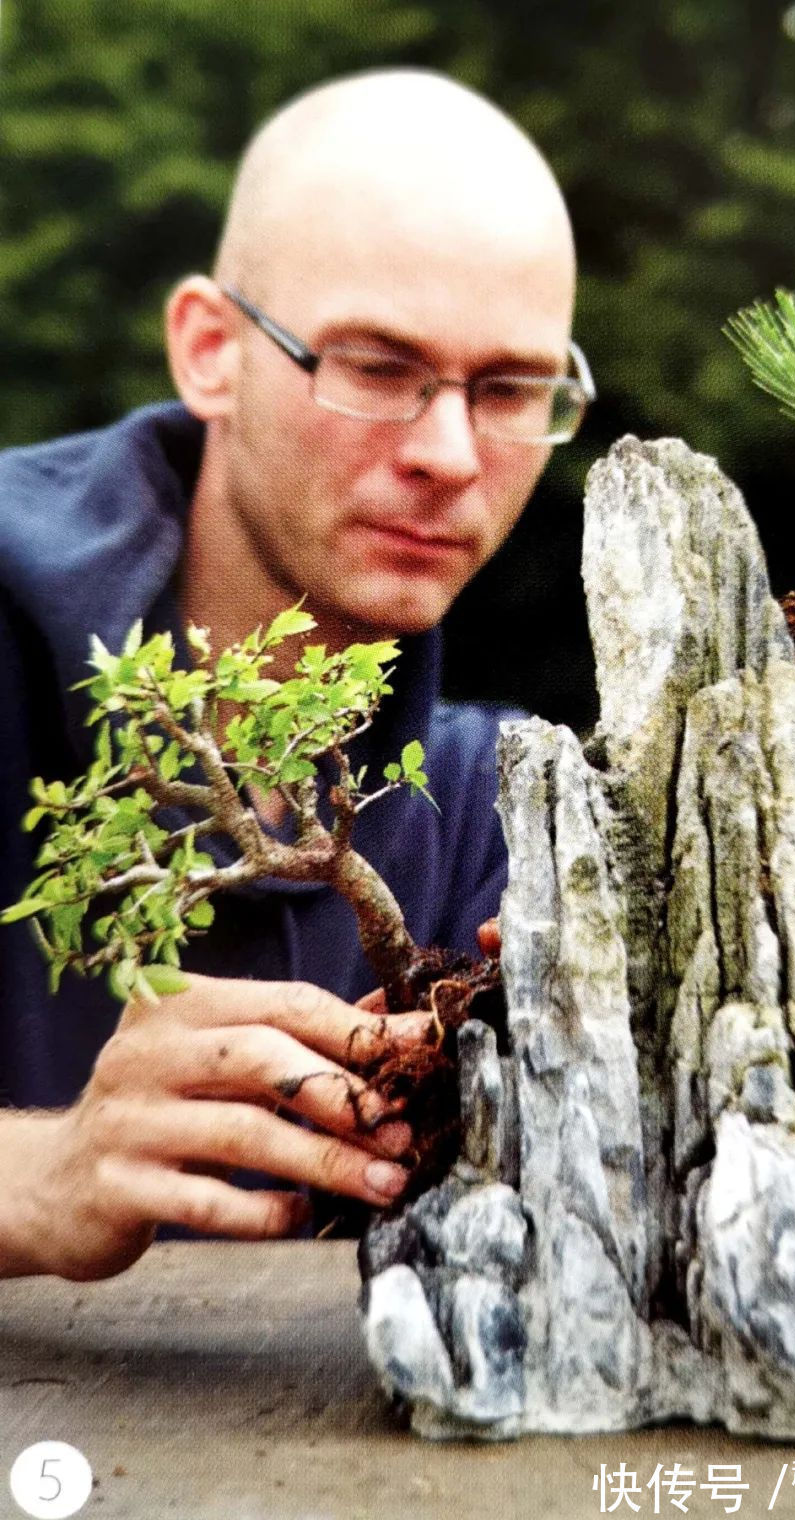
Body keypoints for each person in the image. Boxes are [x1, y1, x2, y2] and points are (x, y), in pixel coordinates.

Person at [0, 70, 590, 1281]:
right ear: (210, 351)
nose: (446, 453)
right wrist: (38, 1173)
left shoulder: (487, 807)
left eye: (511, 389)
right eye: (377, 368)